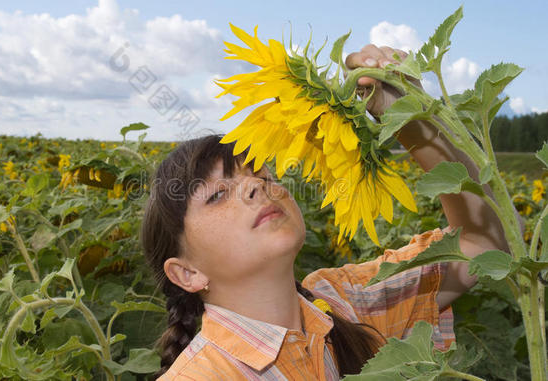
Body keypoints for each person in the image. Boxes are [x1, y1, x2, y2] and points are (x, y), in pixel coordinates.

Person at [141, 44, 515, 380]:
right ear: (187, 273)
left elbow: (483, 245)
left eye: (263, 173)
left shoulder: (345, 302)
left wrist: (409, 117)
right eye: (218, 195)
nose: (257, 186)